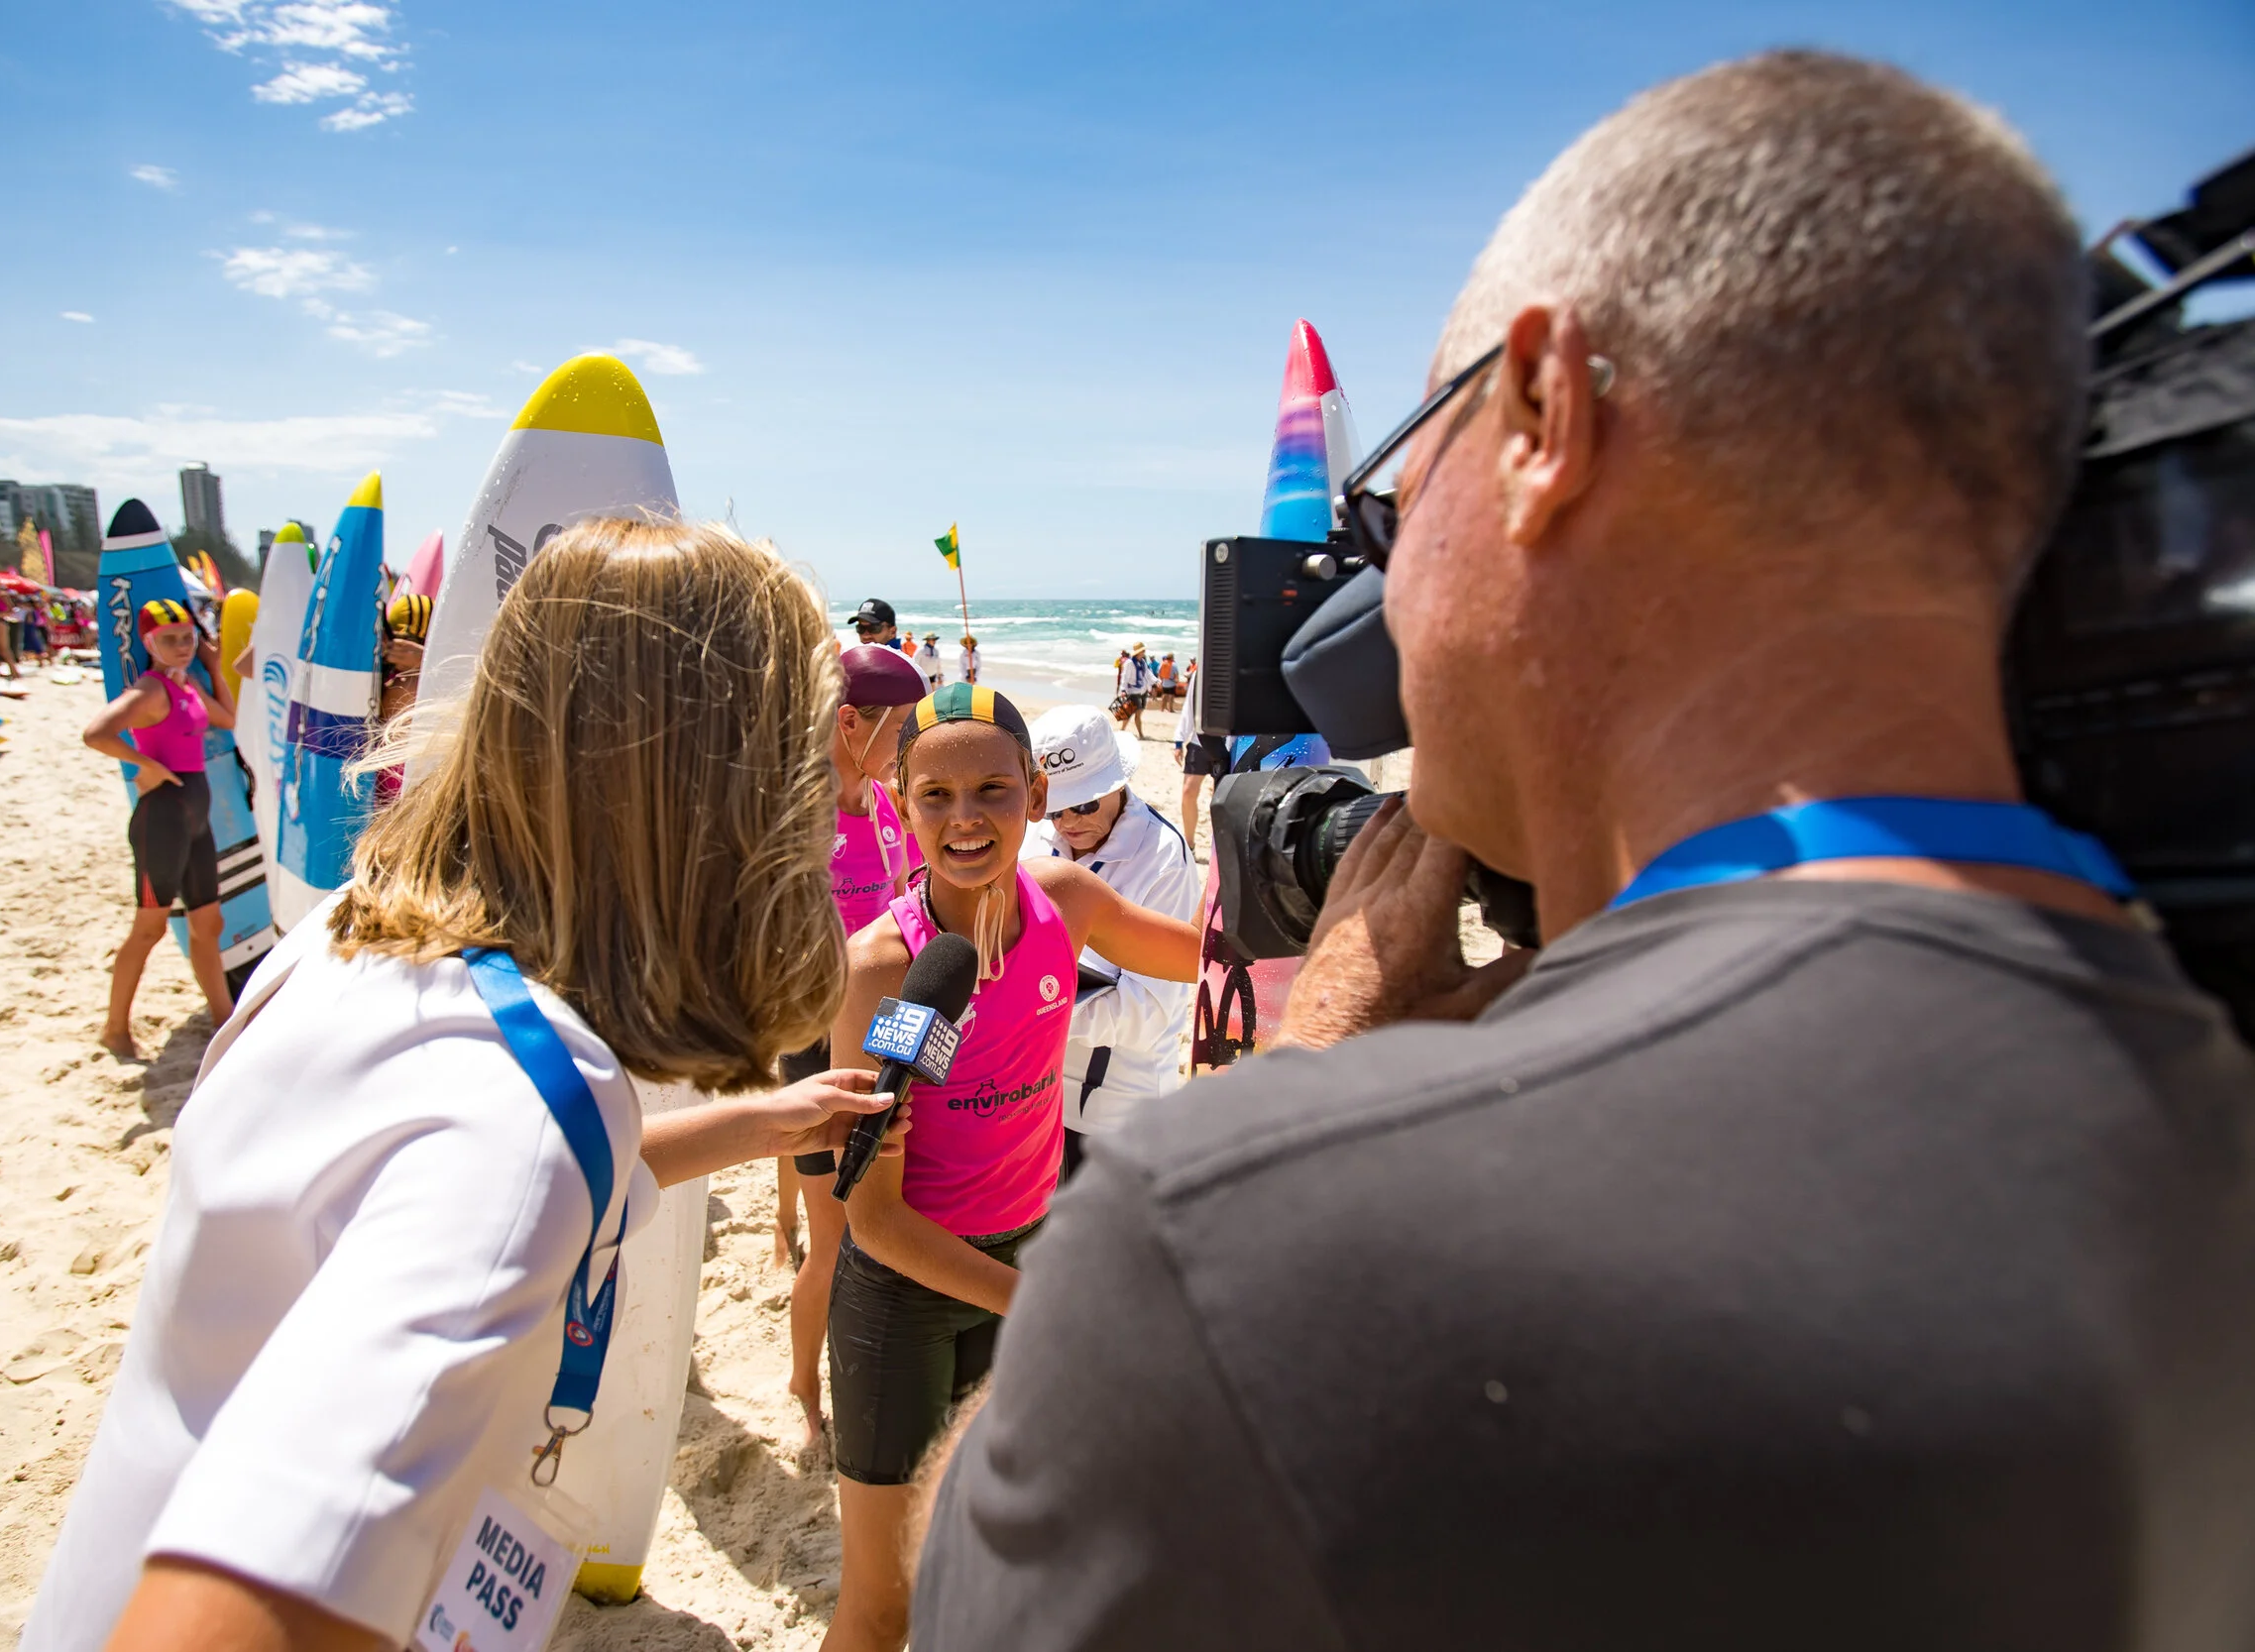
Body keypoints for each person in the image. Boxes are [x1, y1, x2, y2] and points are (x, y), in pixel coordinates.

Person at [912, 53, 2255, 1651]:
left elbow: (977, 1575)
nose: (1388, 594)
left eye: (1407, 489)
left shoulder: (1268, 1231)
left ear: (1546, 411)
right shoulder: (2197, 1068)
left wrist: (1312, 1087)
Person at [23, 519, 902, 1652]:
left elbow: (466, 1180)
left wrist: (759, 1122)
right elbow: (505, 1173)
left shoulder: (360, 931)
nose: (825, 798)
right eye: (798, 751)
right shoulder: (515, 1124)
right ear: (716, 795)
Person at [822, 684, 1200, 1652]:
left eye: (991, 790)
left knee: (981, 1575)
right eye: (934, 795)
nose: (963, 819)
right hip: (907, 1300)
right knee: (881, 1606)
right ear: (901, 807)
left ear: (1035, 796)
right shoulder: (881, 970)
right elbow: (874, 1222)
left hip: (1017, 1267)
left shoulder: (1066, 903)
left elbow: (1201, 954)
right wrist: (1035, 1299)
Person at [776, 642, 930, 1449]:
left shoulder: (886, 800)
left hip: (885, 1032)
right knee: (832, 1240)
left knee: (894, 1217)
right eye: (898, 726)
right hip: (814, 1041)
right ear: (849, 720)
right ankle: (804, 1385)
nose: (907, 742)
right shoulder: (796, 814)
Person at [1018, 706, 1199, 1178]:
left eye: (1083, 804)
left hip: (1118, 1113)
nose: (1066, 823)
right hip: (1032, 1099)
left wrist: (1028, 1010)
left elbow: (1152, 1012)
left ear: (1118, 783)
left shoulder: (1163, 857)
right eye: (1054, 807)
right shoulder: (1031, 837)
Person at [81, 601, 237, 1056]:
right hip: (162, 820)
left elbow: (227, 719)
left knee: (208, 923)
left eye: (188, 637)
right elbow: (96, 734)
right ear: (149, 643)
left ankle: (223, 1017)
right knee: (148, 930)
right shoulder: (151, 691)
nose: (183, 646)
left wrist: (213, 665)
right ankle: (114, 1029)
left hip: (196, 820)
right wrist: (145, 764)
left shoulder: (185, 685)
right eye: (171, 639)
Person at [372, 593, 433, 806]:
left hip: (389, 806)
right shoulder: (431, 681)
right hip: (414, 804)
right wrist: (428, 661)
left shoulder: (386, 684)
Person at [1171, 655, 1225, 861]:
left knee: (1219, 798)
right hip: (1199, 740)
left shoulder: (1235, 671)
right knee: (1188, 791)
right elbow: (1189, 706)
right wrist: (1179, 740)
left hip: (1227, 744)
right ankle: (1190, 843)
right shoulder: (1199, 672)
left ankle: (1218, 847)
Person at [1109, 642, 1155, 738]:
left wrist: (1153, 684)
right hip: (1133, 691)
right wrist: (1123, 690)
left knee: (1134, 713)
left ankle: (1126, 731)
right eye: (1143, 650)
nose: (1144, 652)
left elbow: (1146, 675)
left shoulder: (1142, 662)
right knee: (1132, 713)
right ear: (1138, 652)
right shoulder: (1129, 663)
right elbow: (1124, 677)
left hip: (1143, 691)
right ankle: (1137, 734)